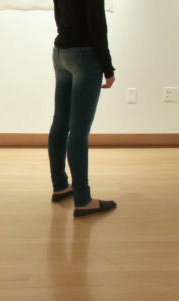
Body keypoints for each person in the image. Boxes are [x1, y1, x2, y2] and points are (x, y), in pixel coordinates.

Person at [49, 0, 117, 218]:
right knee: (79, 130)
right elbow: (97, 24)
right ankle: (83, 200)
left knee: (60, 122)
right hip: (84, 55)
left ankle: (60, 186)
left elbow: (59, 14)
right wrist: (107, 67)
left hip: (61, 52)